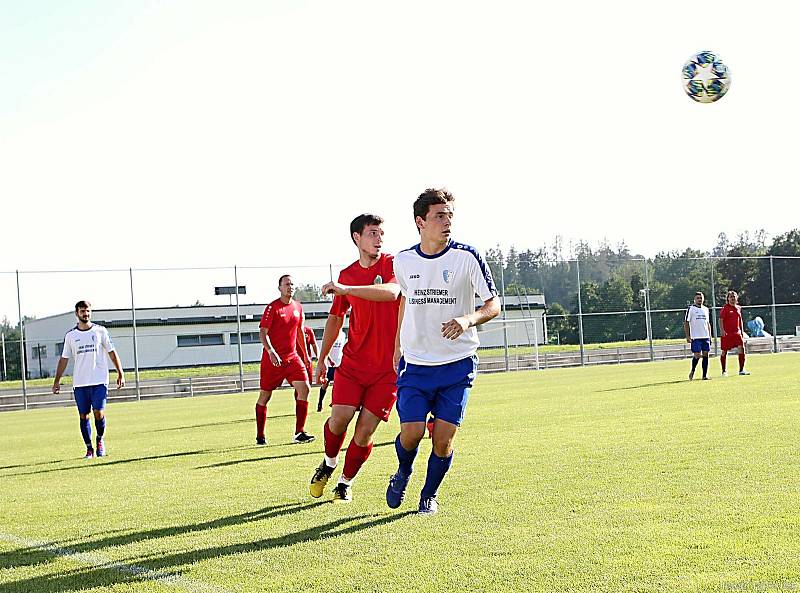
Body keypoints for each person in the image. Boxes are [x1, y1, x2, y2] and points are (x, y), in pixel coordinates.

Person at [386, 188, 500, 515]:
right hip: (417, 365)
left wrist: (468, 319)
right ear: (421, 222)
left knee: (443, 440)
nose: (447, 221)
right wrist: (397, 345)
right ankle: (403, 471)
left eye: (450, 215)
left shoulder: (467, 257)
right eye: (439, 215)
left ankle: (428, 495)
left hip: (457, 365)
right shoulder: (404, 261)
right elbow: (405, 301)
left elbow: (493, 303)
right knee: (411, 434)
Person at [309, 214, 401, 503]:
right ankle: (329, 462)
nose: (379, 238)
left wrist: (346, 290)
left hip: (388, 369)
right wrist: (321, 359)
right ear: (357, 238)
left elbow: (393, 292)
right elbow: (335, 319)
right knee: (339, 419)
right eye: (373, 233)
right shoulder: (347, 274)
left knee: (364, 433)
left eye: (381, 233)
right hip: (353, 364)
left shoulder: (393, 264)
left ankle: (345, 483)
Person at [52, 301, 125, 459]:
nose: (86, 314)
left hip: (99, 381)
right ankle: (89, 449)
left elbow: (112, 352)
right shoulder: (71, 336)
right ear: (77, 313)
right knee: (83, 416)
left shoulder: (100, 331)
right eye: (82, 311)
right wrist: (57, 380)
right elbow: (64, 359)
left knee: (98, 412)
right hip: (80, 383)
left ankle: (99, 440)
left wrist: (120, 372)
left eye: (88, 311)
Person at [255, 275, 315, 445]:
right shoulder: (272, 308)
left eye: (292, 284)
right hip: (272, 360)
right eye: (286, 284)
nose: (290, 287)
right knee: (265, 396)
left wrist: (305, 355)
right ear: (279, 288)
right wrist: (271, 351)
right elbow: (263, 333)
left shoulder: (298, 307)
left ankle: (299, 432)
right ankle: (260, 435)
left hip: (292, 358)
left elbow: (299, 333)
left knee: (304, 389)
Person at [719, 290, 750, 376]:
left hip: (737, 333)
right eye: (731, 297)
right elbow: (720, 320)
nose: (732, 298)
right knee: (724, 351)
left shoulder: (739, 308)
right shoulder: (725, 308)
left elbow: (740, 321)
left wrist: (742, 332)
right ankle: (724, 371)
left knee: (741, 348)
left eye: (734, 296)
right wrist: (722, 331)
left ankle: (741, 370)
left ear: (737, 298)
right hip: (727, 334)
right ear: (728, 298)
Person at [684, 291, 713, 381]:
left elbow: (708, 323)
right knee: (697, 355)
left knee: (706, 354)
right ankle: (693, 370)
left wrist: (710, 336)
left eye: (701, 298)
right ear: (694, 299)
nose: (699, 299)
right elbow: (686, 322)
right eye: (698, 298)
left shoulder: (706, 309)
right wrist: (688, 336)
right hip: (695, 337)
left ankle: (704, 375)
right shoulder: (691, 309)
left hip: (705, 336)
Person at [317, 328, 346, 412]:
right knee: (325, 384)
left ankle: (334, 402)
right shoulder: (330, 333)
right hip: (329, 365)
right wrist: (329, 360)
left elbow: (342, 349)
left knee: (339, 384)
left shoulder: (343, 334)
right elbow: (324, 349)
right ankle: (320, 403)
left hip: (339, 364)